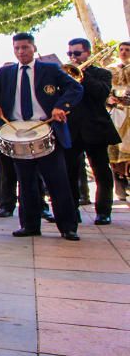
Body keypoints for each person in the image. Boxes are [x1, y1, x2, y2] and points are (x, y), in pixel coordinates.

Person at [0, 32, 83, 241]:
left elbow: (76, 87)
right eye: (17, 48)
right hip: (18, 133)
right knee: (26, 183)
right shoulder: (6, 72)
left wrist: (61, 106)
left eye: (25, 47)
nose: (20, 52)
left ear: (34, 48)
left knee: (57, 182)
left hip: (46, 129)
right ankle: (29, 225)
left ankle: (68, 227)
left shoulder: (50, 69)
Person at [64, 38, 120, 225]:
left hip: (95, 128)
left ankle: (103, 211)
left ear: (87, 53)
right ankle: (72, 211)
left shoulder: (102, 73)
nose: (73, 57)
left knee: (101, 171)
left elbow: (102, 94)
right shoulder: (64, 75)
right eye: (70, 53)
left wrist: (83, 75)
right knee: (70, 172)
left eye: (77, 53)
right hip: (72, 129)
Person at [108, 41, 130, 202]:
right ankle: (120, 189)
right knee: (114, 151)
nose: (123, 52)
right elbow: (105, 91)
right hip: (117, 113)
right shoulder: (111, 69)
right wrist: (110, 98)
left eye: (127, 50)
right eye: (121, 49)